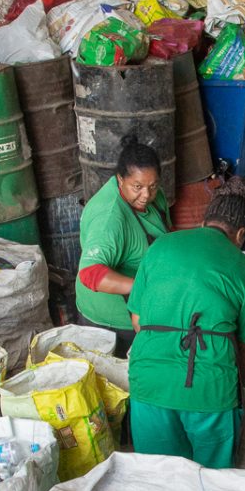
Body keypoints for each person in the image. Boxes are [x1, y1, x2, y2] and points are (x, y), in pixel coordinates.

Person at [125, 183, 245, 469]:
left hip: (149, 383)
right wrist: (242, 386)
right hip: (210, 391)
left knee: (159, 478)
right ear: (240, 234)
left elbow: (137, 320)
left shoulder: (161, 245)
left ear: (203, 222)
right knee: (211, 485)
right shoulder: (244, 268)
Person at [77, 136, 169, 357]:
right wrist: (141, 286)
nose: (146, 195)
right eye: (137, 187)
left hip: (146, 305)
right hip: (112, 321)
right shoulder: (110, 219)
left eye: (152, 186)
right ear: (120, 180)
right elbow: (90, 273)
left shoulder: (154, 197)